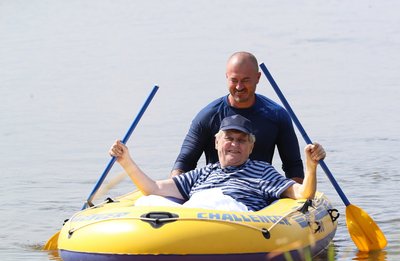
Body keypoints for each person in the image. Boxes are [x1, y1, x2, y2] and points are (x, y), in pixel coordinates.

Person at [110, 114, 326, 212]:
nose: (234, 144)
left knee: (208, 201)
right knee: (147, 203)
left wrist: (311, 166)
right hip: (193, 216)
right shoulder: (203, 173)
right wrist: (126, 161)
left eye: (242, 140)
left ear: (251, 147)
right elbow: (153, 189)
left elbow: (302, 194)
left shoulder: (261, 171)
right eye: (229, 138)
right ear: (216, 142)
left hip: (233, 218)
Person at [171, 51, 304, 183]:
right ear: (227, 77)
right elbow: (184, 163)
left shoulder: (277, 115)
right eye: (234, 80)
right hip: (215, 190)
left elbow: (293, 167)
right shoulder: (208, 116)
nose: (239, 87)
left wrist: (299, 197)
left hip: (261, 192)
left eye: (245, 80)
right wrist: (173, 195)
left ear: (258, 78)